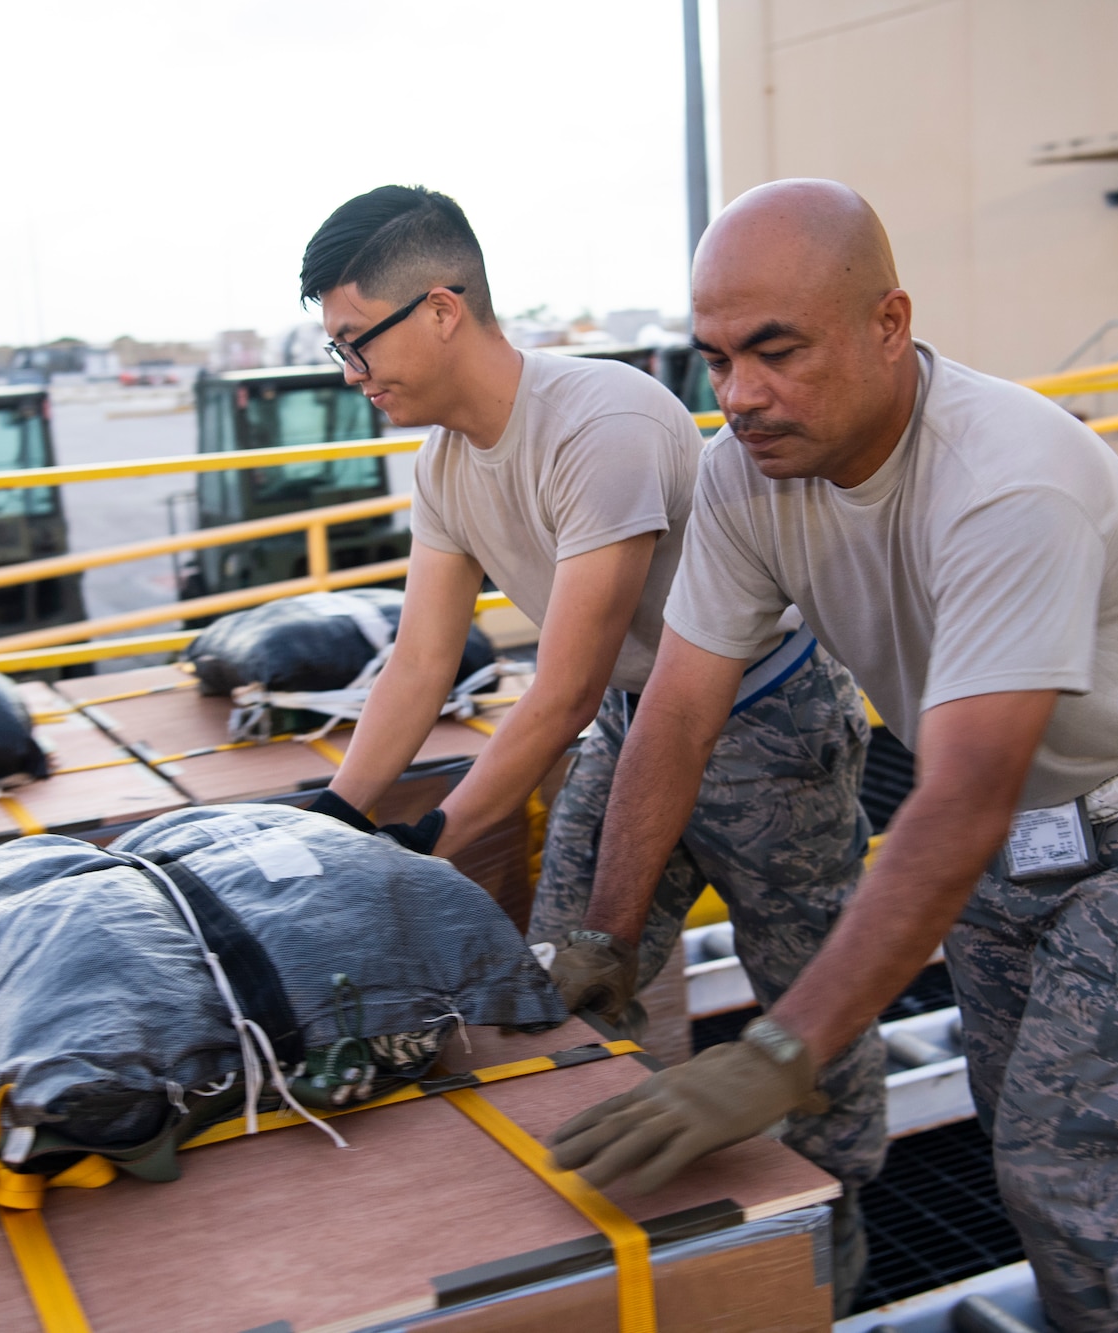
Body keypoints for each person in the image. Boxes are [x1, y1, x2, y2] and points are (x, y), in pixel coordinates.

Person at [546, 179, 1118, 1332]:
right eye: (714, 360)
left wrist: (779, 1051)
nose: (740, 396)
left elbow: (952, 802)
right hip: (1017, 817)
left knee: (1088, 1172)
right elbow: (677, 712)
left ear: (888, 325)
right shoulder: (748, 472)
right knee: (1022, 1131)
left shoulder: (1003, 483)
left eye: (775, 351)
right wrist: (605, 931)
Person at [294, 184, 888, 1306]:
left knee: (802, 995)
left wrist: (420, 844)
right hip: (635, 718)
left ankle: (827, 1247)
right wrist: (333, 821)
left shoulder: (595, 420)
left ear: (438, 309)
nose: (352, 375)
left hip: (768, 723)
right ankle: (626, 1233)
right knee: (570, 966)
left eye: (354, 342)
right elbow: (420, 666)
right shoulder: (443, 466)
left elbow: (558, 690)